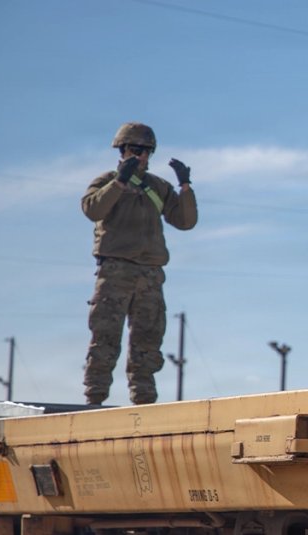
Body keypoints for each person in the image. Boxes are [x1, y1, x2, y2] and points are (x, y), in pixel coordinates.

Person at [81, 122, 198, 405]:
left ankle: (144, 400)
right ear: (122, 150)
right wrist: (119, 182)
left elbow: (186, 221)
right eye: (135, 149)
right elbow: (93, 208)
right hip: (115, 270)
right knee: (105, 337)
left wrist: (185, 187)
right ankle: (94, 398)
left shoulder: (157, 187)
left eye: (146, 150)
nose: (141, 155)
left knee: (148, 341)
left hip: (150, 274)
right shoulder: (106, 182)